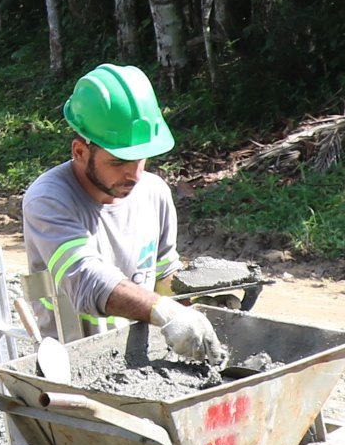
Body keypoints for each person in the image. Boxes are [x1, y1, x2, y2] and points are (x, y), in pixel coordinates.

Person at [21, 63, 222, 364]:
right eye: (118, 162)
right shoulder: (49, 199)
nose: (135, 175)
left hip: (142, 359)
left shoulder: (154, 193)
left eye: (141, 159)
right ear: (80, 152)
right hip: (73, 363)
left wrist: (205, 304)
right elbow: (86, 282)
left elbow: (164, 279)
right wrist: (165, 313)